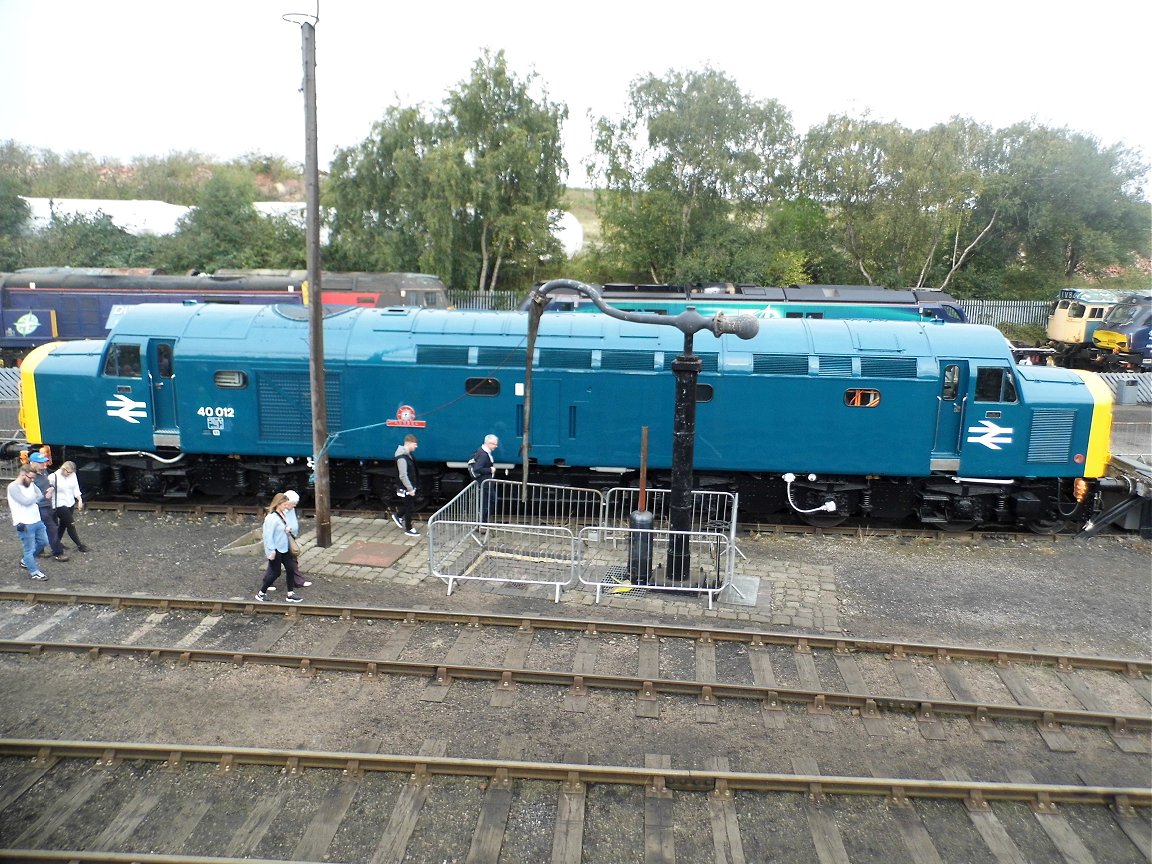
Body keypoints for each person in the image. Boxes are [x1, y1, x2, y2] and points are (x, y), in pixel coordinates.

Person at [255, 491, 310, 603]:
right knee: (276, 572)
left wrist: (287, 529)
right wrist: (271, 550)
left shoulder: (282, 514)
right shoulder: (271, 518)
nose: (286, 506)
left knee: (290, 569)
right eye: (284, 504)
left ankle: (290, 594)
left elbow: (284, 526)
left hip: (284, 547)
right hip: (276, 549)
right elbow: (268, 536)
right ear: (278, 504)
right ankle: (261, 593)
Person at [8, 466, 50, 580]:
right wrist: (37, 497)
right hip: (24, 523)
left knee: (44, 542)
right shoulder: (13, 487)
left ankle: (26, 560)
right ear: (23, 474)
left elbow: (39, 495)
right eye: (31, 478)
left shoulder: (30, 484)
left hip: (36, 520)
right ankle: (34, 572)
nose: (32, 480)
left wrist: (38, 496)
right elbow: (25, 502)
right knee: (29, 549)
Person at [27, 453, 68, 561]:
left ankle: (40, 551)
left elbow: (48, 483)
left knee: (46, 528)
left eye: (44, 461)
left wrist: (51, 487)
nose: (44, 464)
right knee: (52, 529)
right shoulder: (29, 476)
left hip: (48, 505)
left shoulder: (43, 472)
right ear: (33, 463)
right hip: (39, 507)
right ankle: (58, 553)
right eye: (41, 462)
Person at [51, 461, 88, 552]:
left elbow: (76, 488)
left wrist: (79, 500)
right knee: (71, 524)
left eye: (71, 472)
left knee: (63, 525)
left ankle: (56, 544)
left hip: (70, 502)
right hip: (59, 504)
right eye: (68, 472)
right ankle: (80, 545)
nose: (69, 474)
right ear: (63, 469)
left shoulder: (72, 475)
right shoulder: (53, 477)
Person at [392, 434, 420, 537]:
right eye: (415, 444)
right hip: (406, 488)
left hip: (409, 486)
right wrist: (410, 488)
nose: (416, 446)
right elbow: (403, 475)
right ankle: (409, 528)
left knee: (409, 505)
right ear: (409, 443)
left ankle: (398, 516)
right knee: (410, 507)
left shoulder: (408, 455)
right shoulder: (402, 458)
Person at [471, 433, 499, 523]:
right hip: (485, 482)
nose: (496, 446)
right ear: (489, 443)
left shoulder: (481, 451)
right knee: (490, 501)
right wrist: (490, 470)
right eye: (495, 444)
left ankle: (483, 520)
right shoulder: (484, 454)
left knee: (486, 501)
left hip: (485, 481)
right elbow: (477, 468)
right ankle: (483, 521)